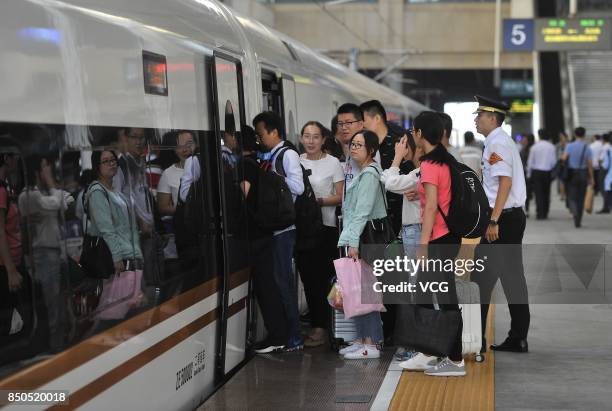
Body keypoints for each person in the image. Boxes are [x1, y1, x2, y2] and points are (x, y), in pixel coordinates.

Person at [396, 111, 465, 376]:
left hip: (438, 240)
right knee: (426, 294)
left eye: (414, 130)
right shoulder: (445, 160)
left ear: (420, 133)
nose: (413, 134)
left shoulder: (429, 164)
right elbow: (437, 197)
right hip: (446, 237)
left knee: (445, 297)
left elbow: (433, 207)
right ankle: (427, 351)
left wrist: (423, 245)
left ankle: (455, 360)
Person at [471, 95, 530, 354]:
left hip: (503, 220)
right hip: (509, 218)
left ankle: (477, 341)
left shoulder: (497, 143)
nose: (476, 119)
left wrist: (493, 219)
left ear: (492, 118)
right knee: (512, 279)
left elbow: (504, 183)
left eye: (479, 115)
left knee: (481, 279)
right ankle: (518, 337)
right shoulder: (498, 142)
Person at [253, 111, 304, 352]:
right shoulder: (270, 155)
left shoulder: (287, 155)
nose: (260, 139)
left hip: (285, 229)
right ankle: (287, 334)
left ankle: (294, 337)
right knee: (278, 281)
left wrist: (273, 179)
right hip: (275, 228)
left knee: (283, 282)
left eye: (261, 134)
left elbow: (299, 187)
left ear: (274, 132)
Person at [337, 130, 385, 360]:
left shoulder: (369, 174)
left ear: (371, 150)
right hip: (360, 237)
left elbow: (362, 212)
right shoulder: (363, 171)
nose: (353, 148)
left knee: (367, 291)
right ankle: (361, 339)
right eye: (352, 144)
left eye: (359, 145)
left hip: (366, 239)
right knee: (357, 289)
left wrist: (353, 242)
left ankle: (371, 343)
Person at [295, 121, 344, 347]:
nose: (311, 141)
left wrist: (317, 202)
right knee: (308, 279)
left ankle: (329, 327)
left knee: (327, 279)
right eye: (306, 136)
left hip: (326, 229)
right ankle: (317, 326)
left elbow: (341, 196)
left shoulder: (333, 163)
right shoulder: (296, 161)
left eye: (315, 137)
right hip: (304, 229)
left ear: (324, 139)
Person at [18, 155, 74, 352]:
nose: (48, 171)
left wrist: (54, 194)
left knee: (60, 302)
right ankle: (54, 348)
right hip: (43, 254)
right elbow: (59, 202)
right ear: (36, 172)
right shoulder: (28, 196)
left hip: (54, 253)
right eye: (45, 168)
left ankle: (59, 343)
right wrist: (52, 183)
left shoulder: (43, 195)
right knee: (52, 305)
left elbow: (67, 201)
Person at [380, 133, 423, 362]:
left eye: (405, 145)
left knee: (415, 290)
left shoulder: (420, 173)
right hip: (413, 231)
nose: (401, 148)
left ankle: (417, 346)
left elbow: (388, 182)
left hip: (415, 232)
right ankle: (418, 345)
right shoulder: (417, 174)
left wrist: (396, 158)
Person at [85, 150, 143, 316]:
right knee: (115, 311)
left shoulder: (115, 192)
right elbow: (106, 229)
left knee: (131, 307)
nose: (111, 164)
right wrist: (116, 257)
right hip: (117, 260)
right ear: (97, 167)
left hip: (130, 256)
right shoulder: (97, 191)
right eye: (106, 161)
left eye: (113, 160)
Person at [157, 131, 195, 259]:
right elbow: (162, 207)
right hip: (184, 230)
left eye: (189, 144)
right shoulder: (168, 173)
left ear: (196, 144)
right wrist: (183, 210)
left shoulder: (205, 167)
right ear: (174, 149)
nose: (184, 149)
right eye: (179, 145)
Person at [0, 152, 25, 337]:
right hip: (6, 269)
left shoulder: (5, 188)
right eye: (13, 156)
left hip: (12, 263)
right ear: (6, 159)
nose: (16, 160)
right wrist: (11, 271)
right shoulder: (1, 191)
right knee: (14, 325)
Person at [561, 127, 594, 228]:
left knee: (571, 196)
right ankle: (578, 220)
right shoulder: (587, 147)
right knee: (581, 197)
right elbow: (590, 164)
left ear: (575, 135)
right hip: (583, 174)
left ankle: (574, 211)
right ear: (584, 135)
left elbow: (563, 158)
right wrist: (592, 178)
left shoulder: (569, 146)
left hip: (572, 174)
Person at [527, 129, 557, 220]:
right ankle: (545, 212)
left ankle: (539, 213)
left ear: (539, 136)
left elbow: (530, 162)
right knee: (546, 192)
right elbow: (553, 162)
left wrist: (529, 174)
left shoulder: (534, 147)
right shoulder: (551, 147)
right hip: (547, 172)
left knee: (538, 193)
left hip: (536, 172)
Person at [336, 104, 365, 191]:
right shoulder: (351, 147)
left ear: (360, 124)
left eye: (348, 123)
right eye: (340, 124)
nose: (344, 127)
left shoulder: (366, 147)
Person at [520, 134, 535, 217]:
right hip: (525, 173)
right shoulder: (523, 149)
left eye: (524, 139)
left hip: (527, 173)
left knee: (527, 192)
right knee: (527, 192)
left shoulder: (528, 149)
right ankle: (526, 209)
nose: (522, 141)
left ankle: (527, 209)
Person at [597, 133, 611, 214]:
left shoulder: (605, 148)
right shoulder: (609, 146)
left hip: (604, 170)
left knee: (603, 188)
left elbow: (602, 160)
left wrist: (599, 161)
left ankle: (606, 207)